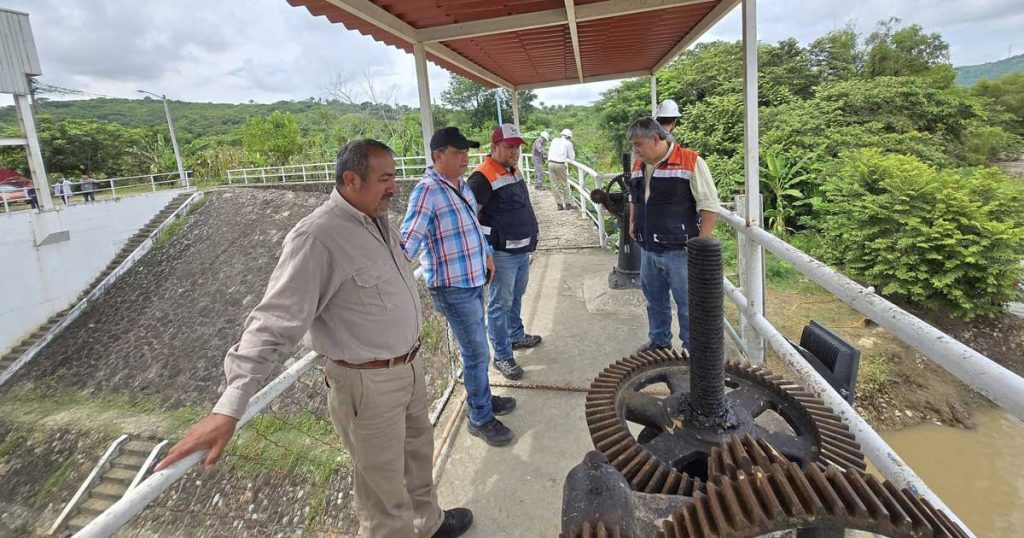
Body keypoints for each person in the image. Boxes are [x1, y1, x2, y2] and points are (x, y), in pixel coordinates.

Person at [154, 139, 473, 538]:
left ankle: (430, 525)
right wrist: (229, 407)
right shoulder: (317, 237)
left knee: (418, 461)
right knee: (382, 493)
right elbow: (274, 320)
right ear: (351, 180)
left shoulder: (378, 219)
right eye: (385, 179)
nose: (394, 187)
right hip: (366, 385)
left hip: (409, 369)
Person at [401, 127, 517, 448]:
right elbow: (408, 241)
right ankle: (479, 416)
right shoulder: (426, 191)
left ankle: (483, 397)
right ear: (438, 156)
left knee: (478, 348)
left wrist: (489, 255)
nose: (465, 157)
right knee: (476, 350)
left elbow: (474, 230)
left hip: (473, 277)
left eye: (466, 151)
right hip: (452, 287)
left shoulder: (460, 185)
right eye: (457, 152)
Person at [626, 117, 721, 353]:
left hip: (680, 251)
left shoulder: (690, 161)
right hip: (648, 247)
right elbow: (635, 198)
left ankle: (694, 350)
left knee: (688, 304)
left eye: (638, 144)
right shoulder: (638, 165)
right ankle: (659, 341)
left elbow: (709, 206)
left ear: (655, 140)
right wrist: (632, 222)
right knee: (654, 301)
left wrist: (700, 246)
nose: (635, 151)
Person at [467, 124, 543, 382]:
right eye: (509, 146)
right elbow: (471, 218)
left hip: (521, 250)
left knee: (516, 296)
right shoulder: (481, 177)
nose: (515, 151)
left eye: (517, 146)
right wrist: (485, 251)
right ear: (495, 147)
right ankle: (501, 355)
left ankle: (516, 335)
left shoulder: (512, 169)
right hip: (501, 253)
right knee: (500, 304)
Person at [548, 128, 575, 211]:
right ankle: (568, 203)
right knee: (565, 184)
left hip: (550, 163)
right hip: (560, 164)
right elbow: (572, 157)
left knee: (554, 185)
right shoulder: (568, 143)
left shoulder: (555, 140)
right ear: (569, 137)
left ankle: (559, 204)